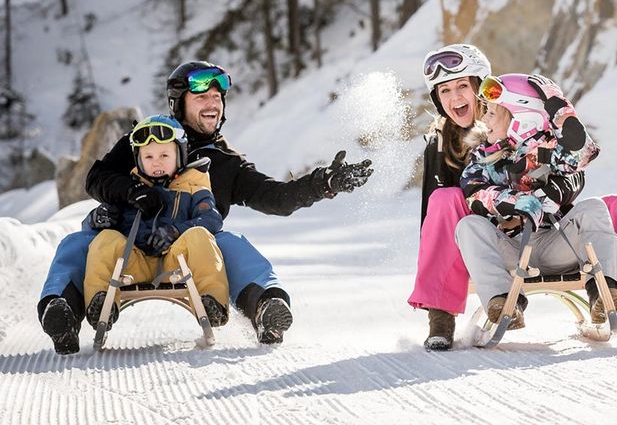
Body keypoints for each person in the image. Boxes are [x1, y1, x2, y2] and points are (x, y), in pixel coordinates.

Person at [39, 61, 373, 354]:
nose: (212, 102)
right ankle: (62, 312)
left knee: (231, 245)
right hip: (127, 245)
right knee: (78, 244)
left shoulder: (224, 162)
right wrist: (132, 191)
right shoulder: (145, 140)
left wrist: (322, 184)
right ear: (178, 103)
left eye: (217, 97)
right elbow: (97, 177)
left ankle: (265, 306)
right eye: (201, 97)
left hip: (190, 247)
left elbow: (276, 198)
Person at [407, 44, 617, 350]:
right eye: (445, 92)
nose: (455, 98)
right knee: (445, 198)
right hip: (487, 245)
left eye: (462, 86)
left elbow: (576, 162)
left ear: (482, 86)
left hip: (553, 232)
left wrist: (549, 191)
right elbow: (437, 218)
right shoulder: (444, 144)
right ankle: (440, 318)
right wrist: (506, 209)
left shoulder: (528, 118)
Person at [456, 73, 617, 329]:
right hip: (509, 249)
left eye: (491, 113)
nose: (483, 119)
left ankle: (603, 291)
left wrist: (558, 105)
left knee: (594, 209)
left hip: (556, 245)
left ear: (519, 119)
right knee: (468, 226)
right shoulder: (484, 156)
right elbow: (474, 192)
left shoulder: (550, 150)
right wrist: (516, 201)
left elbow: (582, 154)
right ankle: (502, 303)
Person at [82, 115, 229, 338]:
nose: (156, 162)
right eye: (148, 156)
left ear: (179, 154)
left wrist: (176, 231)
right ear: (138, 160)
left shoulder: (193, 183)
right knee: (105, 240)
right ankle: (101, 302)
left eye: (164, 155)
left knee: (200, 235)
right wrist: (99, 217)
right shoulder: (131, 187)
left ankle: (213, 302)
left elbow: (211, 218)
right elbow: (90, 226)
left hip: (176, 263)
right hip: (133, 263)